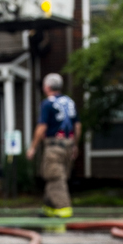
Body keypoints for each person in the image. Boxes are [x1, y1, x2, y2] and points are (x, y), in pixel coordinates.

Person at [27, 73, 82, 218]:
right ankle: (49, 208)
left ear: (47, 87)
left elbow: (42, 127)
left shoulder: (47, 103)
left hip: (54, 146)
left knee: (55, 177)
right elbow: (77, 126)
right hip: (68, 145)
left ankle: (63, 209)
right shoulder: (69, 102)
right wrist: (75, 145)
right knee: (57, 174)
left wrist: (33, 147)